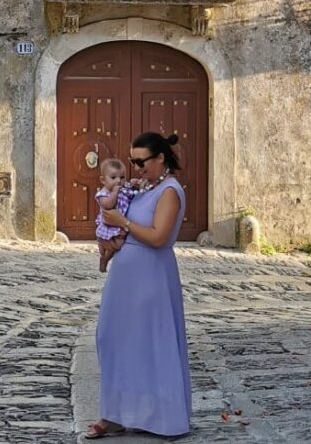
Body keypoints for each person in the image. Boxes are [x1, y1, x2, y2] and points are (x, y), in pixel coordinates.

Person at [86, 132, 192, 439]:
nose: (136, 167)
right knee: (113, 338)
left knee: (151, 344)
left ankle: (162, 417)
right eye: (132, 161)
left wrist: (124, 223)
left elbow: (159, 237)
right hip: (125, 277)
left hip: (151, 277)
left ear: (160, 158)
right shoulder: (143, 187)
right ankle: (116, 414)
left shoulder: (169, 191)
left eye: (141, 161)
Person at [94, 159, 133, 272]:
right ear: (103, 180)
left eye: (122, 177)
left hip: (119, 226)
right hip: (107, 227)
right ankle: (104, 258)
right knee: (106, 246)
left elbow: (131, 193)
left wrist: (133, 184)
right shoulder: (103, 193)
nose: (118, 181)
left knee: (117, 246)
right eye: (113, 178)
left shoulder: (123, 189)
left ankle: (105, 259)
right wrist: (115, 193)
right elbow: (107, 205)